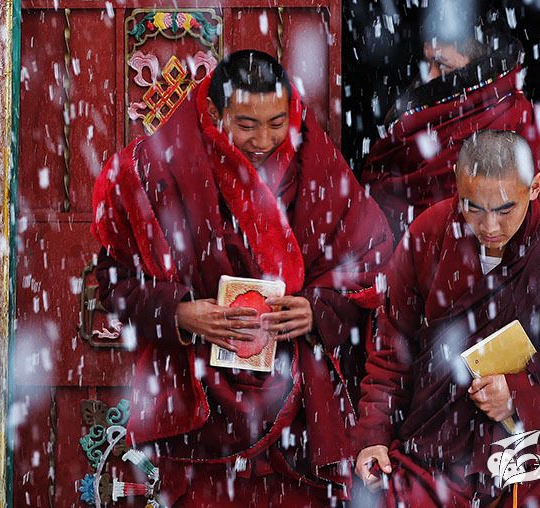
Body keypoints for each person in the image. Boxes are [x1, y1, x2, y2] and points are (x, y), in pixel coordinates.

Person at [91, 50, 392, 506]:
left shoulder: (315, 163)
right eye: (247, 125)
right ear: (215, 113)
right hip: (200, 403)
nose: (264, 140)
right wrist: (180, 313)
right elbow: (115, 280)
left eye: (277, 122)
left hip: (297, 407)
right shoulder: (161, 166)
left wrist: (317, 309)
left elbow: (369, 265)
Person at [354, 130, 540, 506]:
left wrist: (520, 396)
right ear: (457, 185)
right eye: (474, 207)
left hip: (529, 453)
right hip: (434, 451)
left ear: (535, 187)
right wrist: (374, 436)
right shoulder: (429, 236)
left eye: (504, 209)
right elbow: (393, 350)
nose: (490, 227)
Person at [360, 0, 540, 240]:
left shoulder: (527, 127)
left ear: (476, 67)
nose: (429, 78)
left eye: (443, 66)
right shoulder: (415, 124)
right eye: (428, 63)